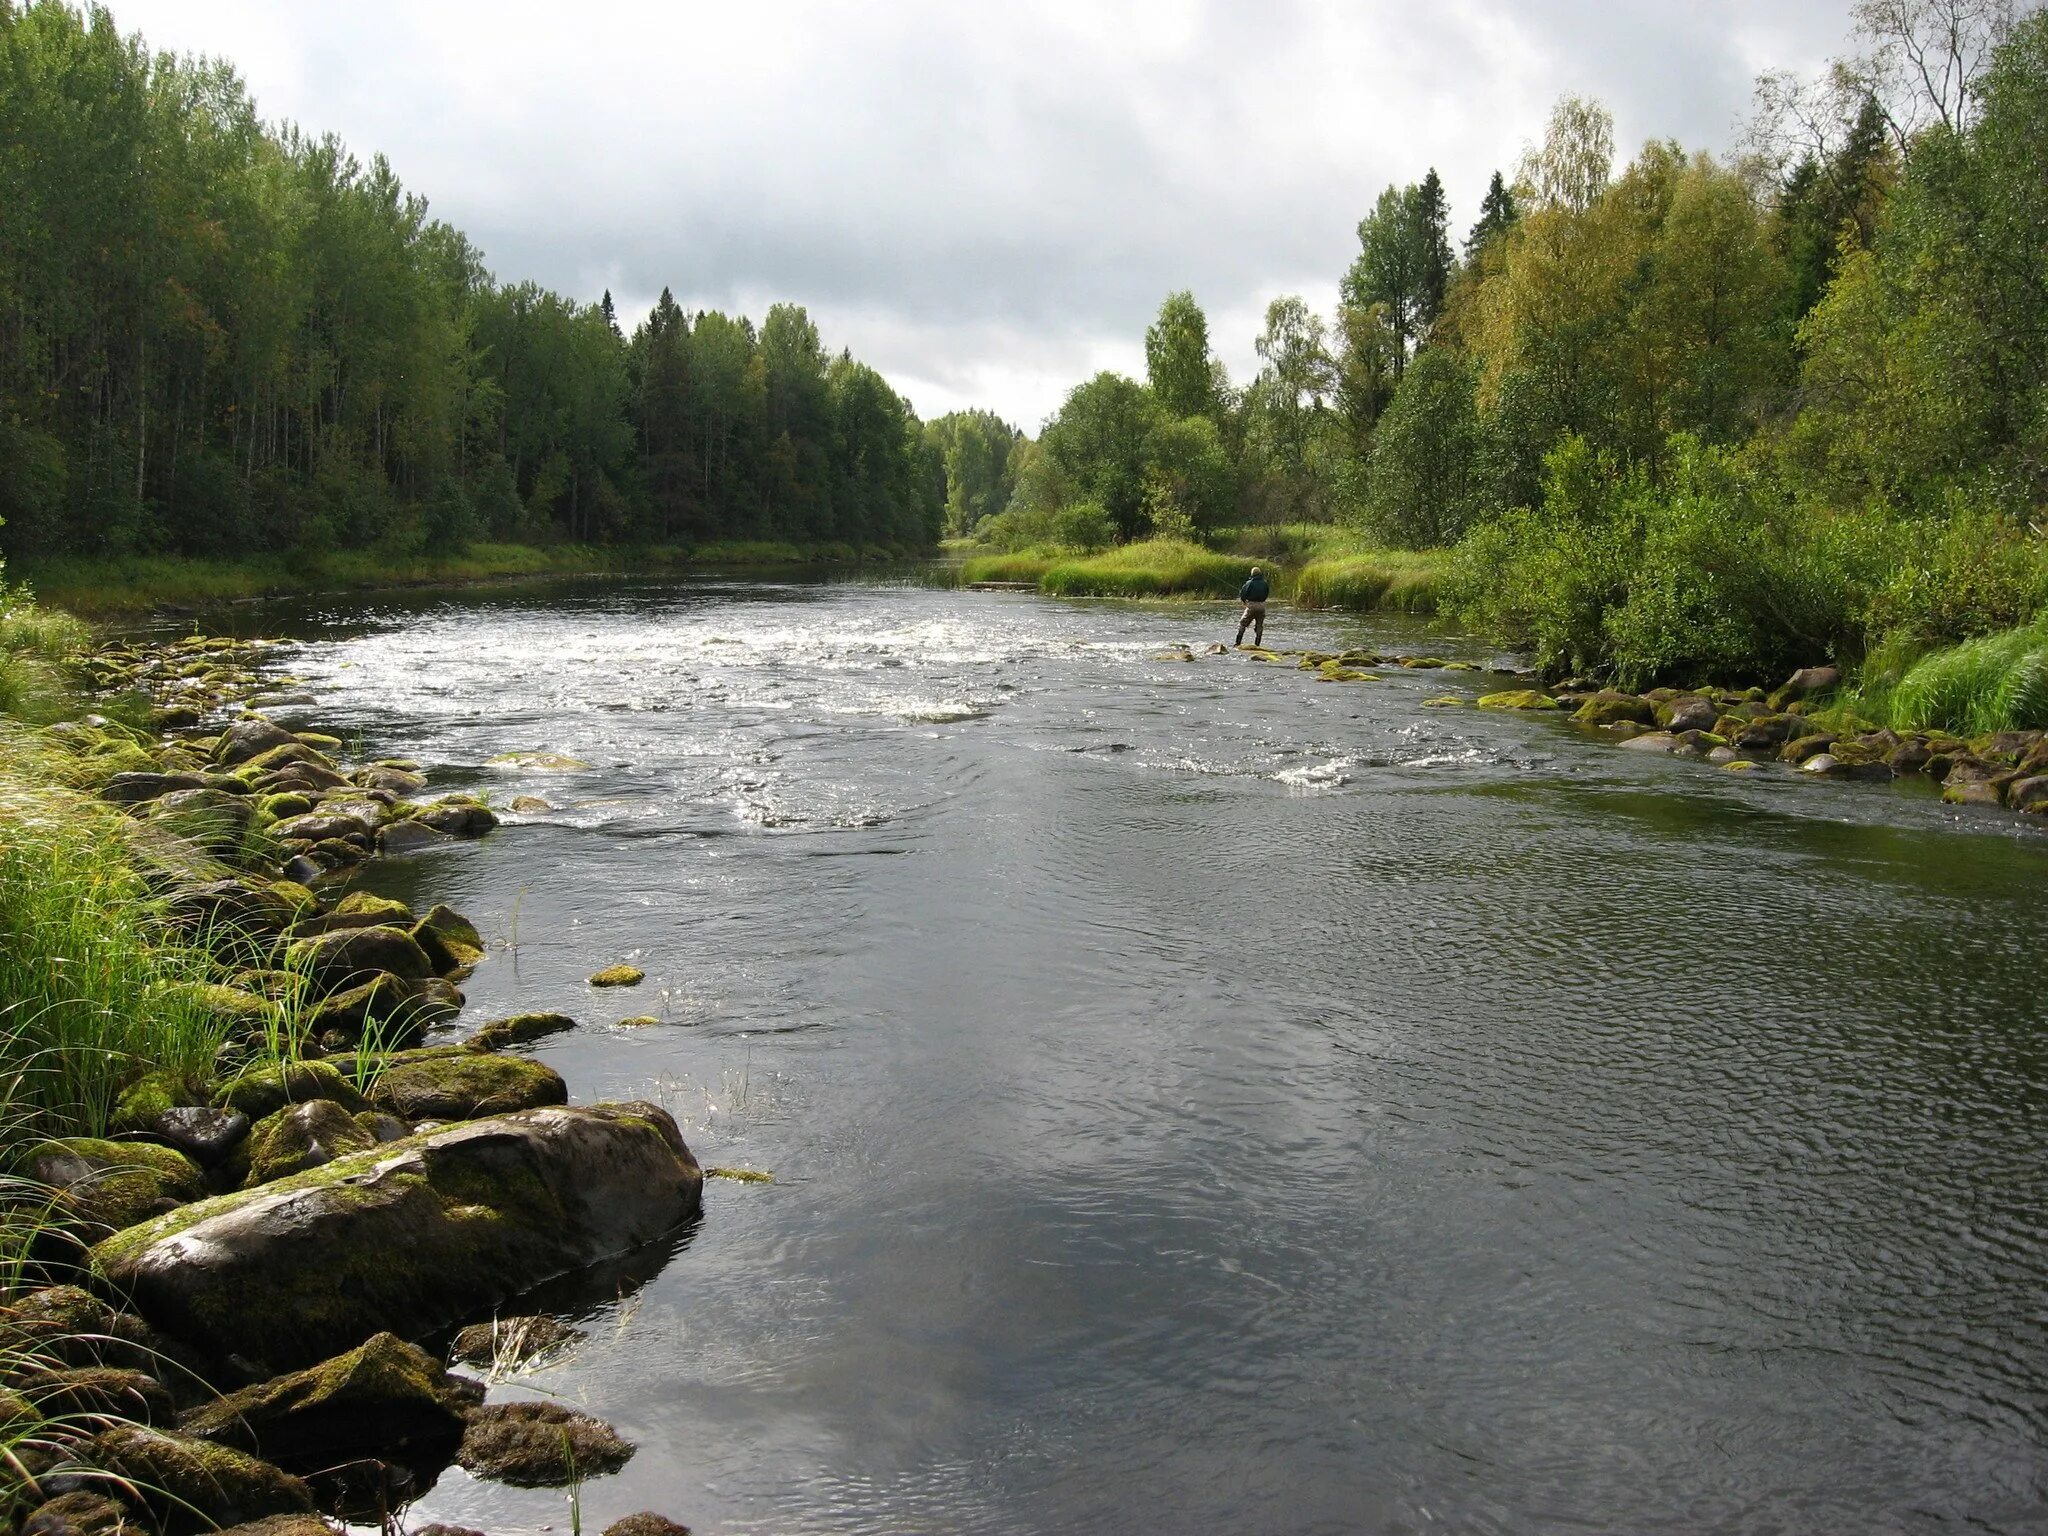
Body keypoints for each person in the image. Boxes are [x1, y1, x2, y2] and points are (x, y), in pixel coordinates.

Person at [1234, 566, 1271, 647]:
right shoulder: (1265, 583)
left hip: (1251, 606)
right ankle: (1257, 644)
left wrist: (1245, 602)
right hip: (1262, 606)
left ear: (1252, 574)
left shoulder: (1249, 583)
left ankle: (1237, 643)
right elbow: (1266, 594)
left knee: (1242, 624)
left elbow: (1243, 594)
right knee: (1259, 625)